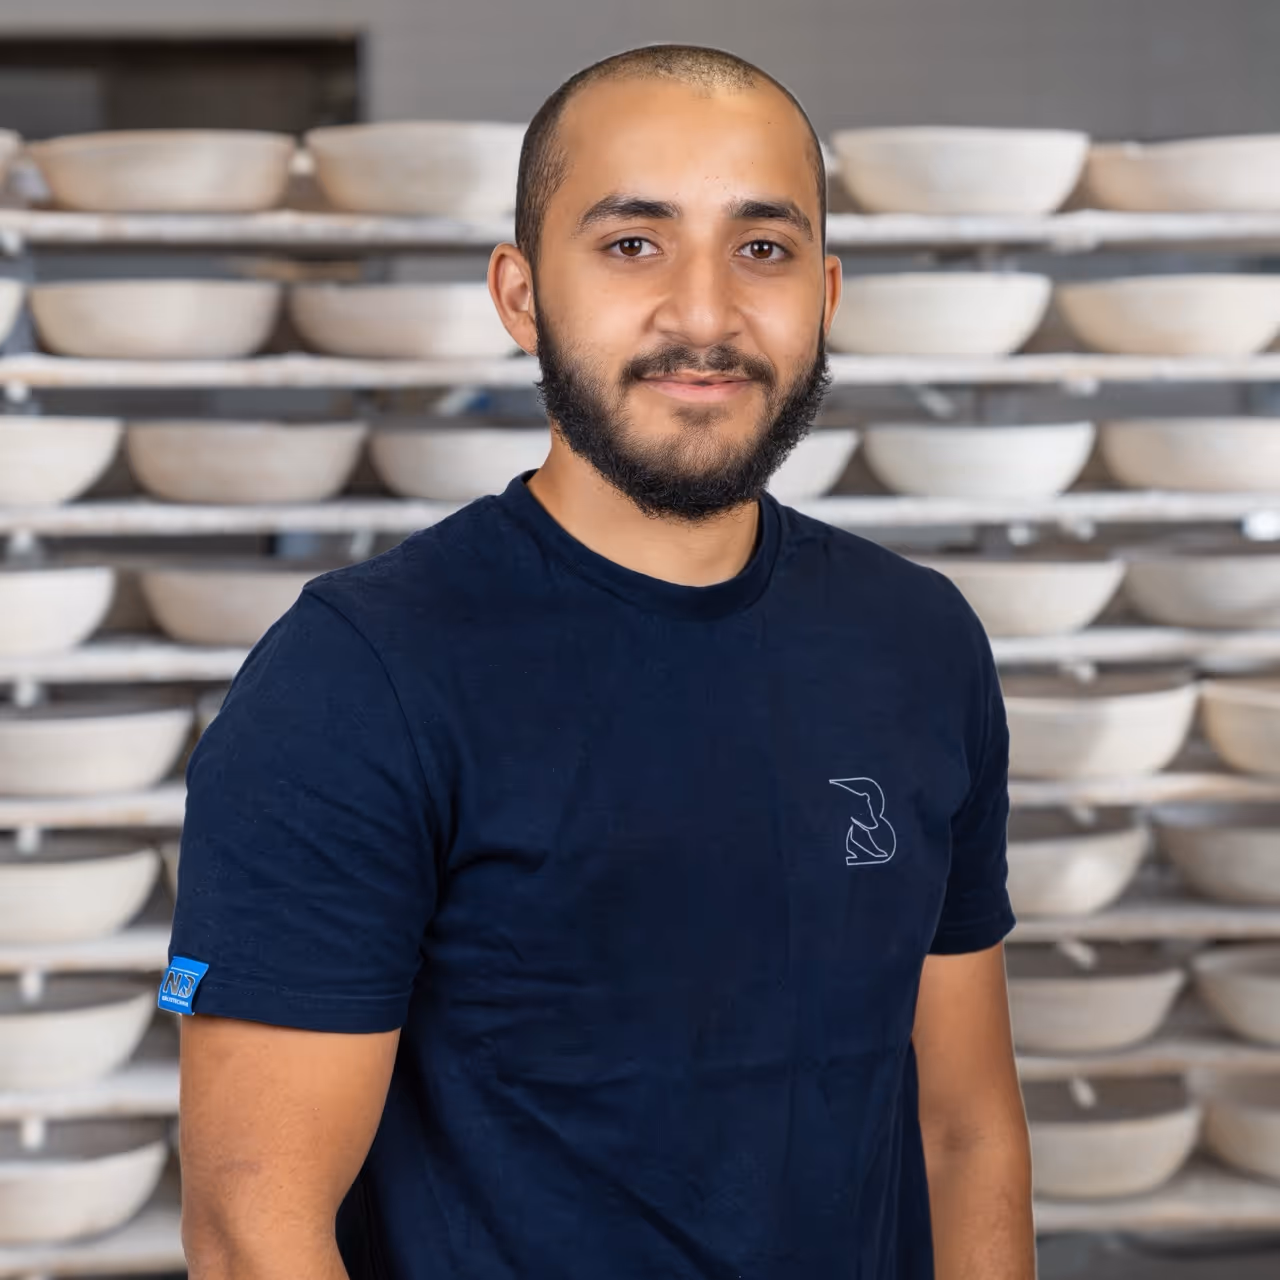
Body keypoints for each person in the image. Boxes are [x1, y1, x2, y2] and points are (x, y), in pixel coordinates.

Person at [171, 43, 1035, 1280]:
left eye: (762, 247)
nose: (704, 314)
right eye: (633, 243)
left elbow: (963, 1129)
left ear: (826, 292)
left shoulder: (917, 639)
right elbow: (253, 1228)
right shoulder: (356, 678)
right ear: (520, 295)